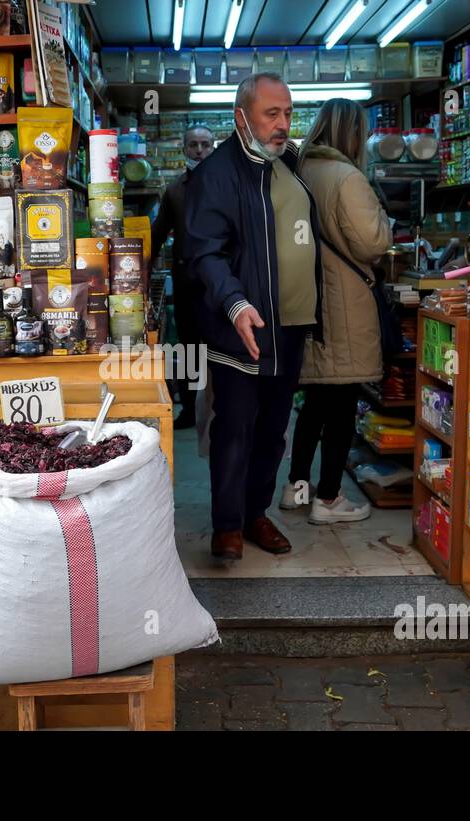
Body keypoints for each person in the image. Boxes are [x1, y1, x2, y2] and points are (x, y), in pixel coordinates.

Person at [184, 72, 322, 561]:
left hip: (288, 326)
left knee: (274, 427)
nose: (283, 124)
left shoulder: (287, 164)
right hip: (239, 325)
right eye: (272, 114)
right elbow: (205, 253)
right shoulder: (217, 174)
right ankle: (227, 525)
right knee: (236, 426)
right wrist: (236, 303)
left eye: (288, 113)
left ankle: (256, 513)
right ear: (241, 117)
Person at [281, 99, 393, 524]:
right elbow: (372, 243)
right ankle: (328, 499)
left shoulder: (298, 172)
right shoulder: (347, 177)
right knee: (342, 403)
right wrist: (385, 221)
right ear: (352, 133)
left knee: (314, 402)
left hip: (308, 302)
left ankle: (296, 487)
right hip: (344, 303)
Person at [152, 124, 215, 429]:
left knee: (223, 347)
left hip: (224, 285)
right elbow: (158, 234)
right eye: (194, 145)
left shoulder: (228, 186)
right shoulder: (176, 190)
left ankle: (225, 410)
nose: (200, 151)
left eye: (205, 144)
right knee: (191, 349)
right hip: (189, 283)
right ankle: (190, 409)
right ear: (184, 149)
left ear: (213, 148)